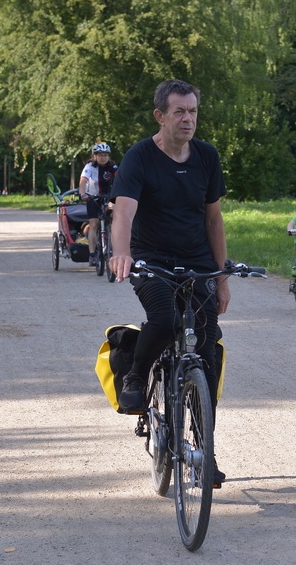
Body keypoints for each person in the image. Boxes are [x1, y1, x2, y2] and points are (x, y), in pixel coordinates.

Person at [109, 79, 230, 483]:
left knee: (208, 349)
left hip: (197, 262)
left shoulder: (207, 157)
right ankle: (136, 375)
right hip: (150, 260)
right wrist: (122, 253)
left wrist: (222, 275)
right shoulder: (140, 157)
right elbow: (123, 213)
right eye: (179, 111)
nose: (188, 119)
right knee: (164, 321)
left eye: (193, 111)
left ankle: (205, 448)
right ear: (160, 116)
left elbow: (213, 218)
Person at [79, 142, 118, 266]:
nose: (103, 157)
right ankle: (92, 255)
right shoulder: (90, 166)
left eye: (105, 155)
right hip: (93, 197)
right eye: (100, 155)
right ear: (95, 156)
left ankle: (114, 249)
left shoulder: (112, 166)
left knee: (114, 220)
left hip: (108, 197)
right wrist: (82, 194)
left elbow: (121, 178)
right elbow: (83, 180)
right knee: (94, 223)